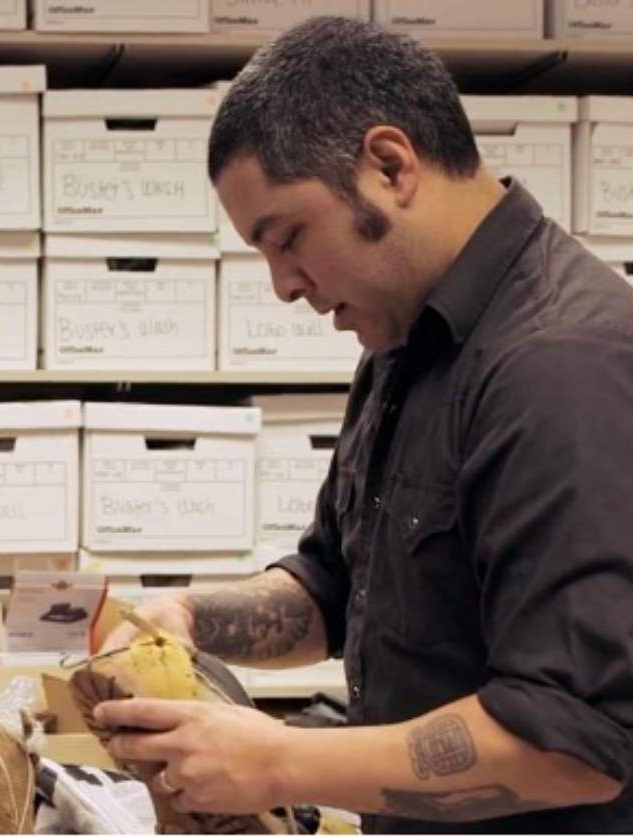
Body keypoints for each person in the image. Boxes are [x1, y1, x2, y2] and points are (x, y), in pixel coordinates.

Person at [95, 16, 633, 833]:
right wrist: (186, 618)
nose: (283, 286)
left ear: (390, 165)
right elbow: (333, 589)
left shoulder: (561, 365)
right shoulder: (404, 343)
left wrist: (278, 759)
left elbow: (575, 743)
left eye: (289, 238)